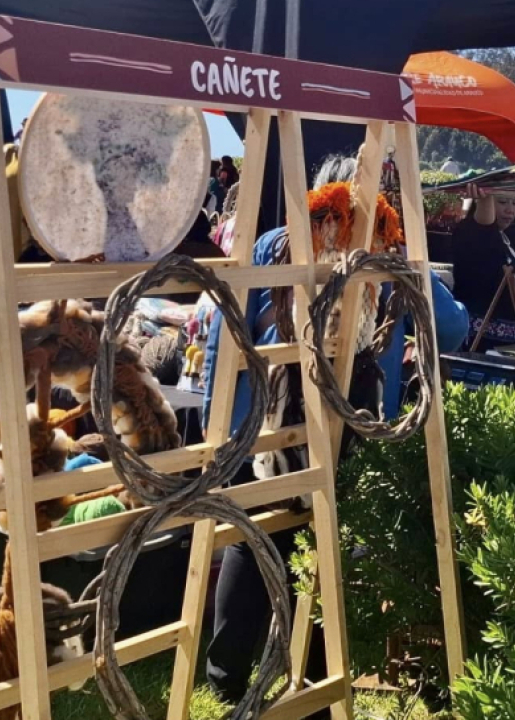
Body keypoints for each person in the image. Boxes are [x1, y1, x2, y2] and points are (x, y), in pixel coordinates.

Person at [199, 155, 468, 710]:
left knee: (266, 544)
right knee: (315, 550)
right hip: (329, 430)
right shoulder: (376, 257)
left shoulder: (283, 246)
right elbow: (452, 329)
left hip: (280, 430)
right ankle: (306, 681)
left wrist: (216, 425)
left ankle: (239, 679)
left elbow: (224, 336)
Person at [451, 192, 515, 347]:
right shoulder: (474, 232)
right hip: (477, 342)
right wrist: (485, 193)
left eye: (514, 203)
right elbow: (484, 224)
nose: (510, 210)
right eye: (502, 202)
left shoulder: (510, 239)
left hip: (508, 344)